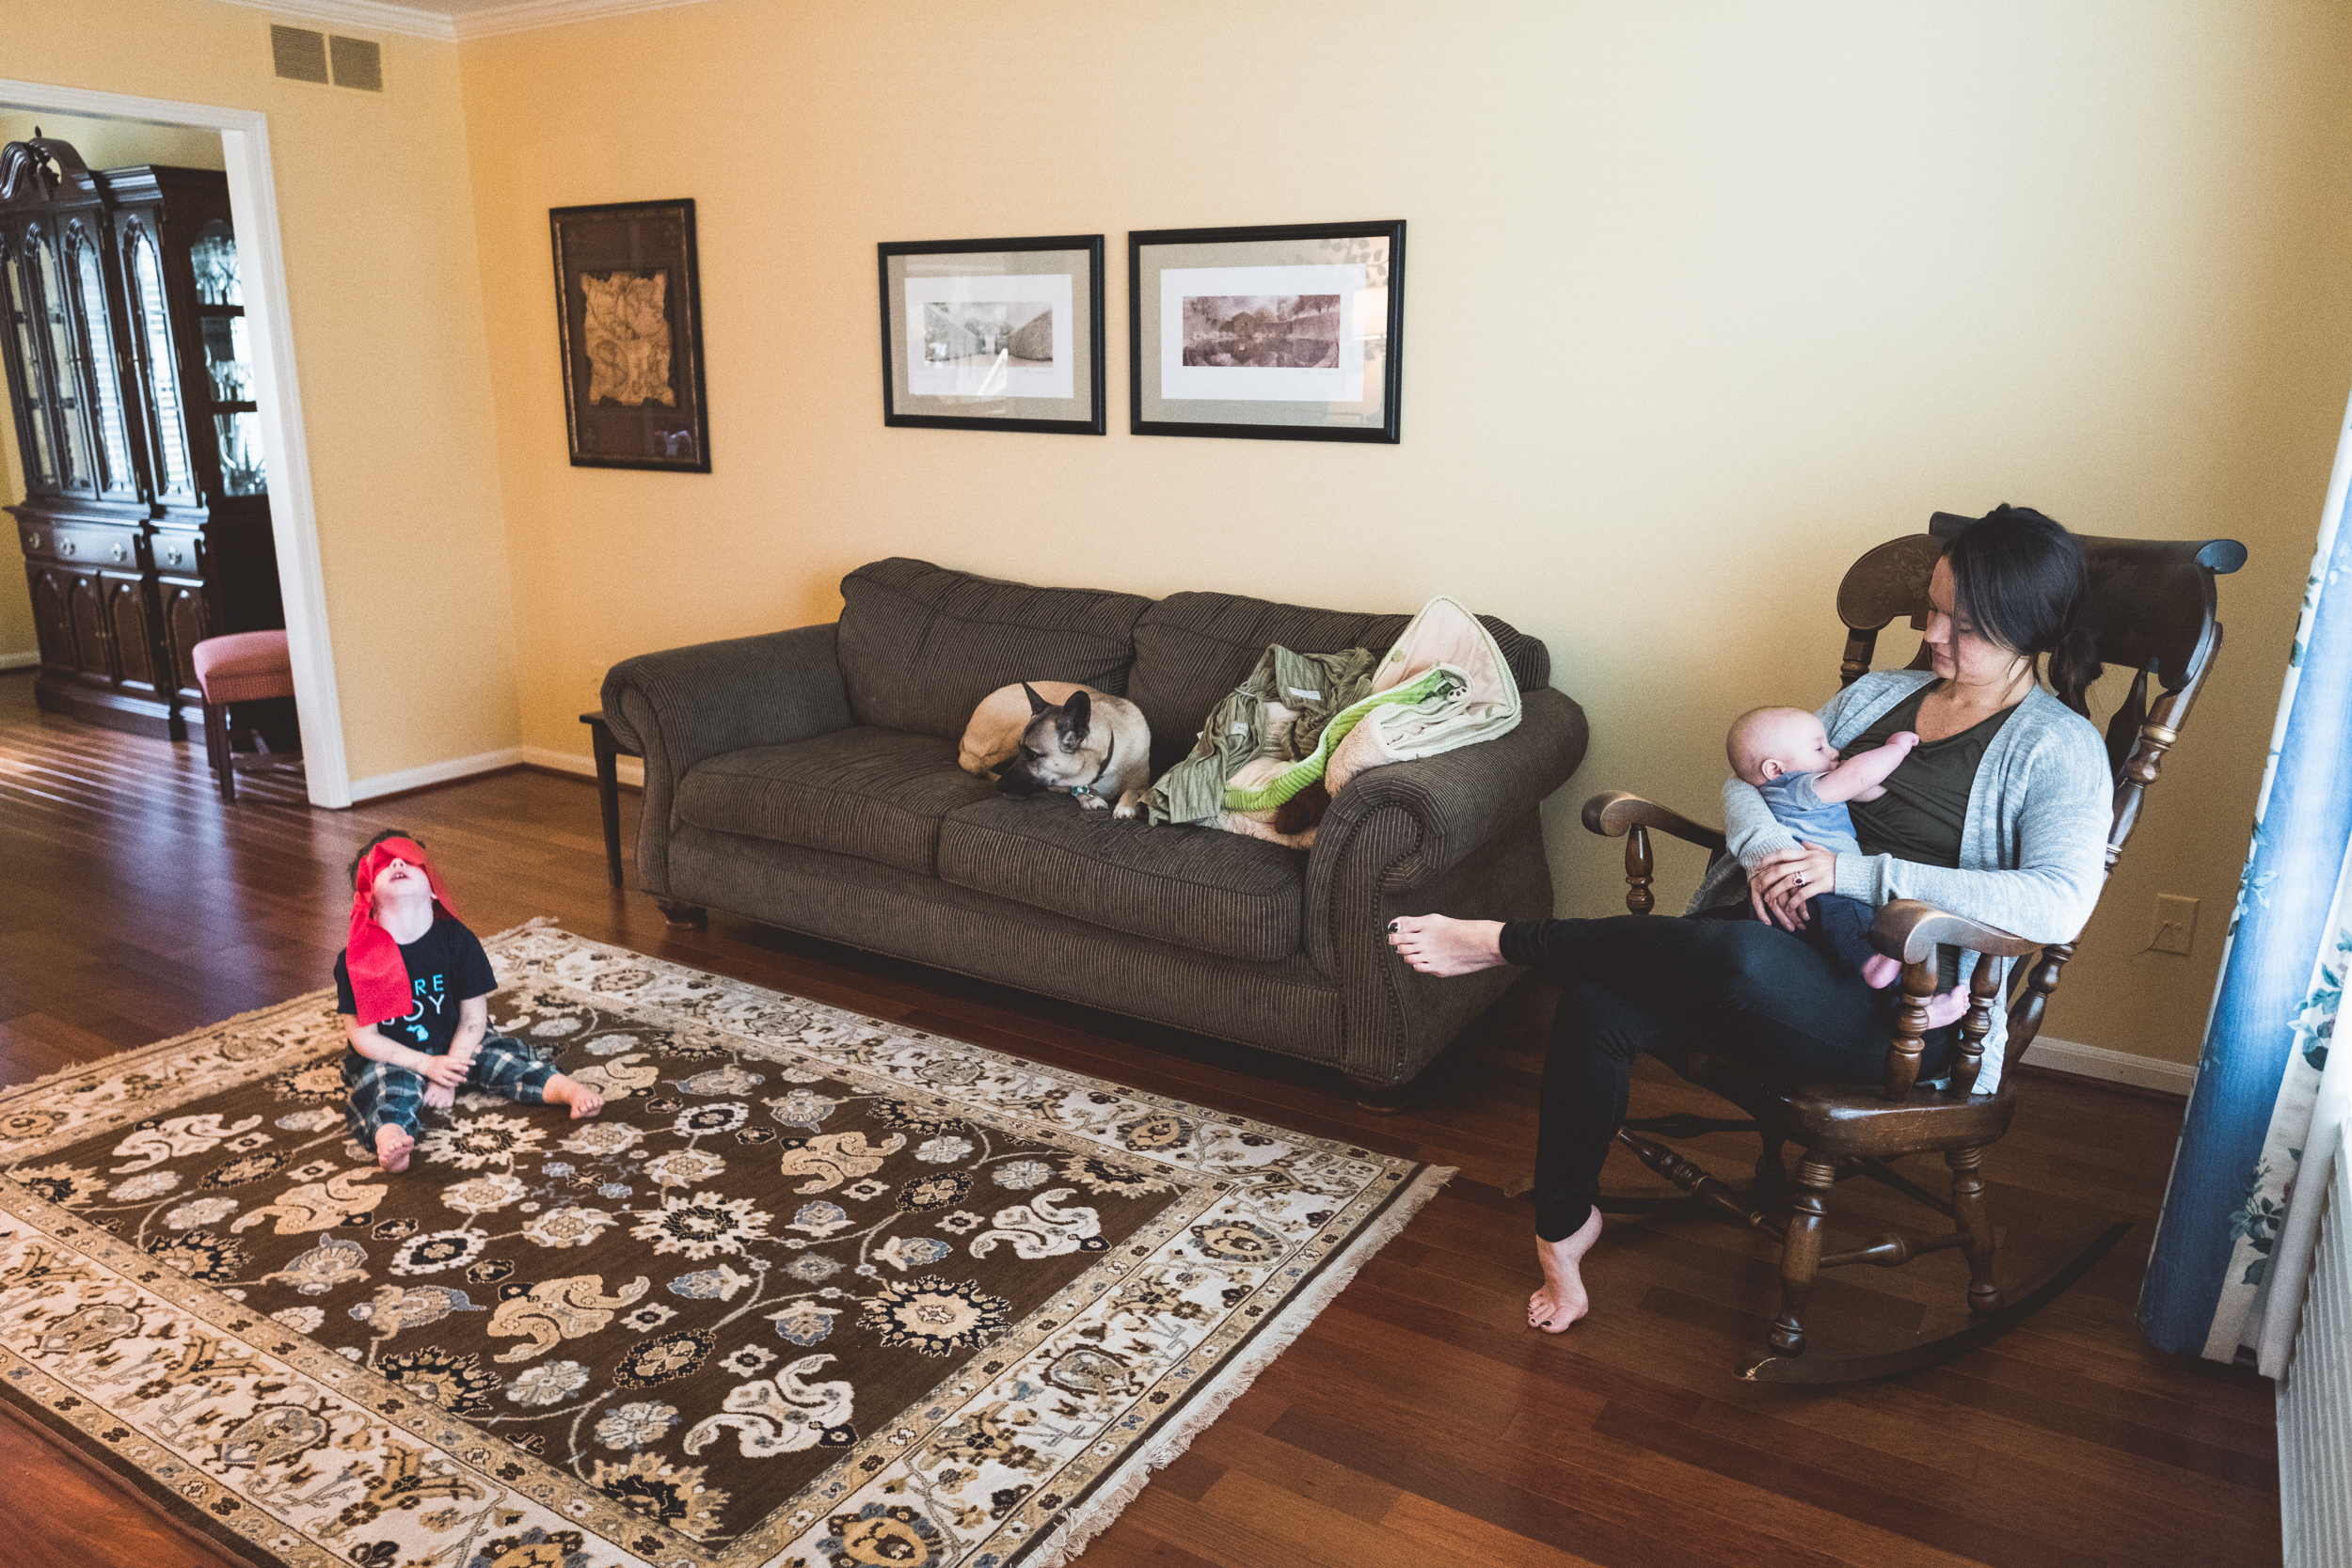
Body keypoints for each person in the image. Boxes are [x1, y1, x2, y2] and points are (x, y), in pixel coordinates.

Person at [1388, 504, 2111, 1335]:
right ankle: (1563, 1226)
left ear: (2028, 631)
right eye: (1933, 605)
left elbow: (2060, 899)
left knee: (1729, 957)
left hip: (1903, 1010)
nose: (1933, 631)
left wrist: (1853, 872)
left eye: (1963, 623)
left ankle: (1508, 943)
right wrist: (1771, 852)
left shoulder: (2056, 748)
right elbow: (1755, 776)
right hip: (1786, 953)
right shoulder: (1882, 694)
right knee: (1598, 999)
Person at [337, 829, 603, 1172]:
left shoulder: (459, 941)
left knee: (504, 1056)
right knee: (388, 1087)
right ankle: (390, 1140)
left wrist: (450, 1068)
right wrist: (427, 1066)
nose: (399, 862)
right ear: (367, 894)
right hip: (393, 1054)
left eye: (409, 859)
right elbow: (364, 1037)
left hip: (461, 1042)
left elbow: (474, 1019)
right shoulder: (356, 959)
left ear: (433, 884)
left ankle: (568, 1091)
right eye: (383, 864)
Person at [1725, 706, 1973, 1028]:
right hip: (1820, 888)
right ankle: (1877, 965)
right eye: (1819, 748)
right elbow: (1857, 776)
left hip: (1786, 906)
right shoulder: (1801, 786)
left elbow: (1861, 788)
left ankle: (1913, 1009)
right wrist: (1895, 748)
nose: (1833, 752)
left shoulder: (1772, 791)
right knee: (1857, 923)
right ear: (1775, 768)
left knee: (1839, 943)